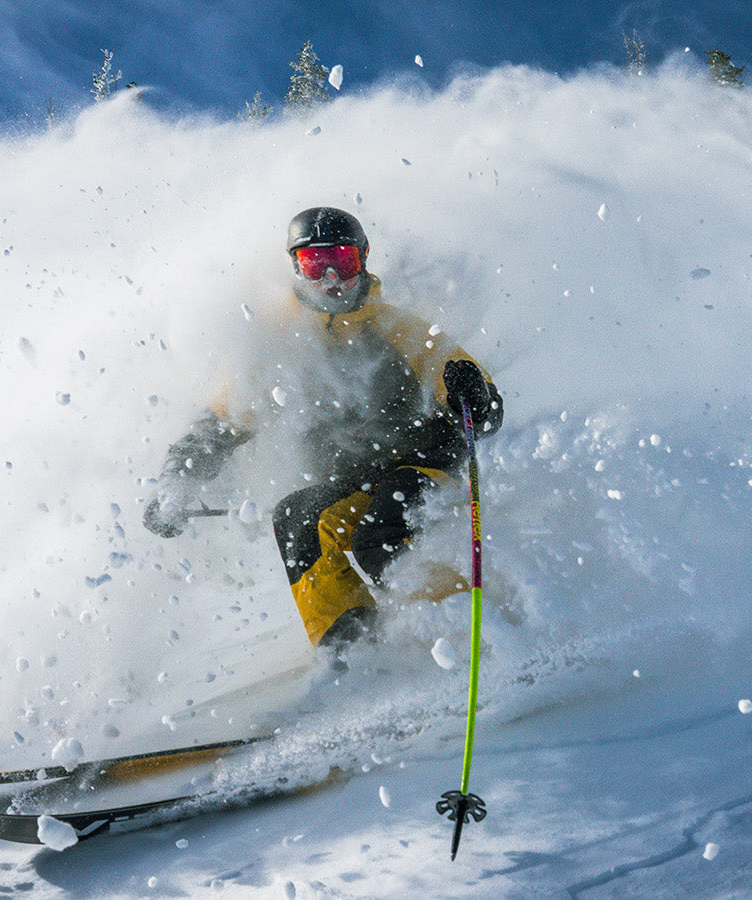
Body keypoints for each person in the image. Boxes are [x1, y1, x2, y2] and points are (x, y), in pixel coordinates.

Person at [143, 207, 503, 650]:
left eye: (343, 261)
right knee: (298, 519)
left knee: (382, 530)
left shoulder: (398, 328)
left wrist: (472, 394)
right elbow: (221, 420)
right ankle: (353, 650)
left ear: (364, 258)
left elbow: (482, 408)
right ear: (296, 267)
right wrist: (178, 480)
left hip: (428, 465)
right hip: (357, 479)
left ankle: (464, 628)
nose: (332, 278)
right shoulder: (280, 344)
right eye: (316, 265)